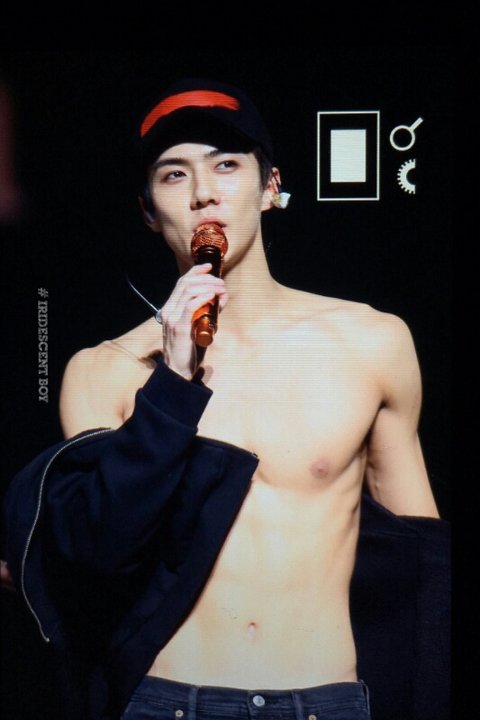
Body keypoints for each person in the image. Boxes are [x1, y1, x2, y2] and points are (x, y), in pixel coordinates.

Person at [2, 77, 450, 720]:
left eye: (227, 165)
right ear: (148, 211)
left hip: (324, 699)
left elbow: (421, 568)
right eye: (174, 174)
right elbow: (99, 554)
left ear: (270, 188)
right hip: (168, 700)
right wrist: (173, 380)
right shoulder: (104, 369)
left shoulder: (370, 342)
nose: (204, 192)